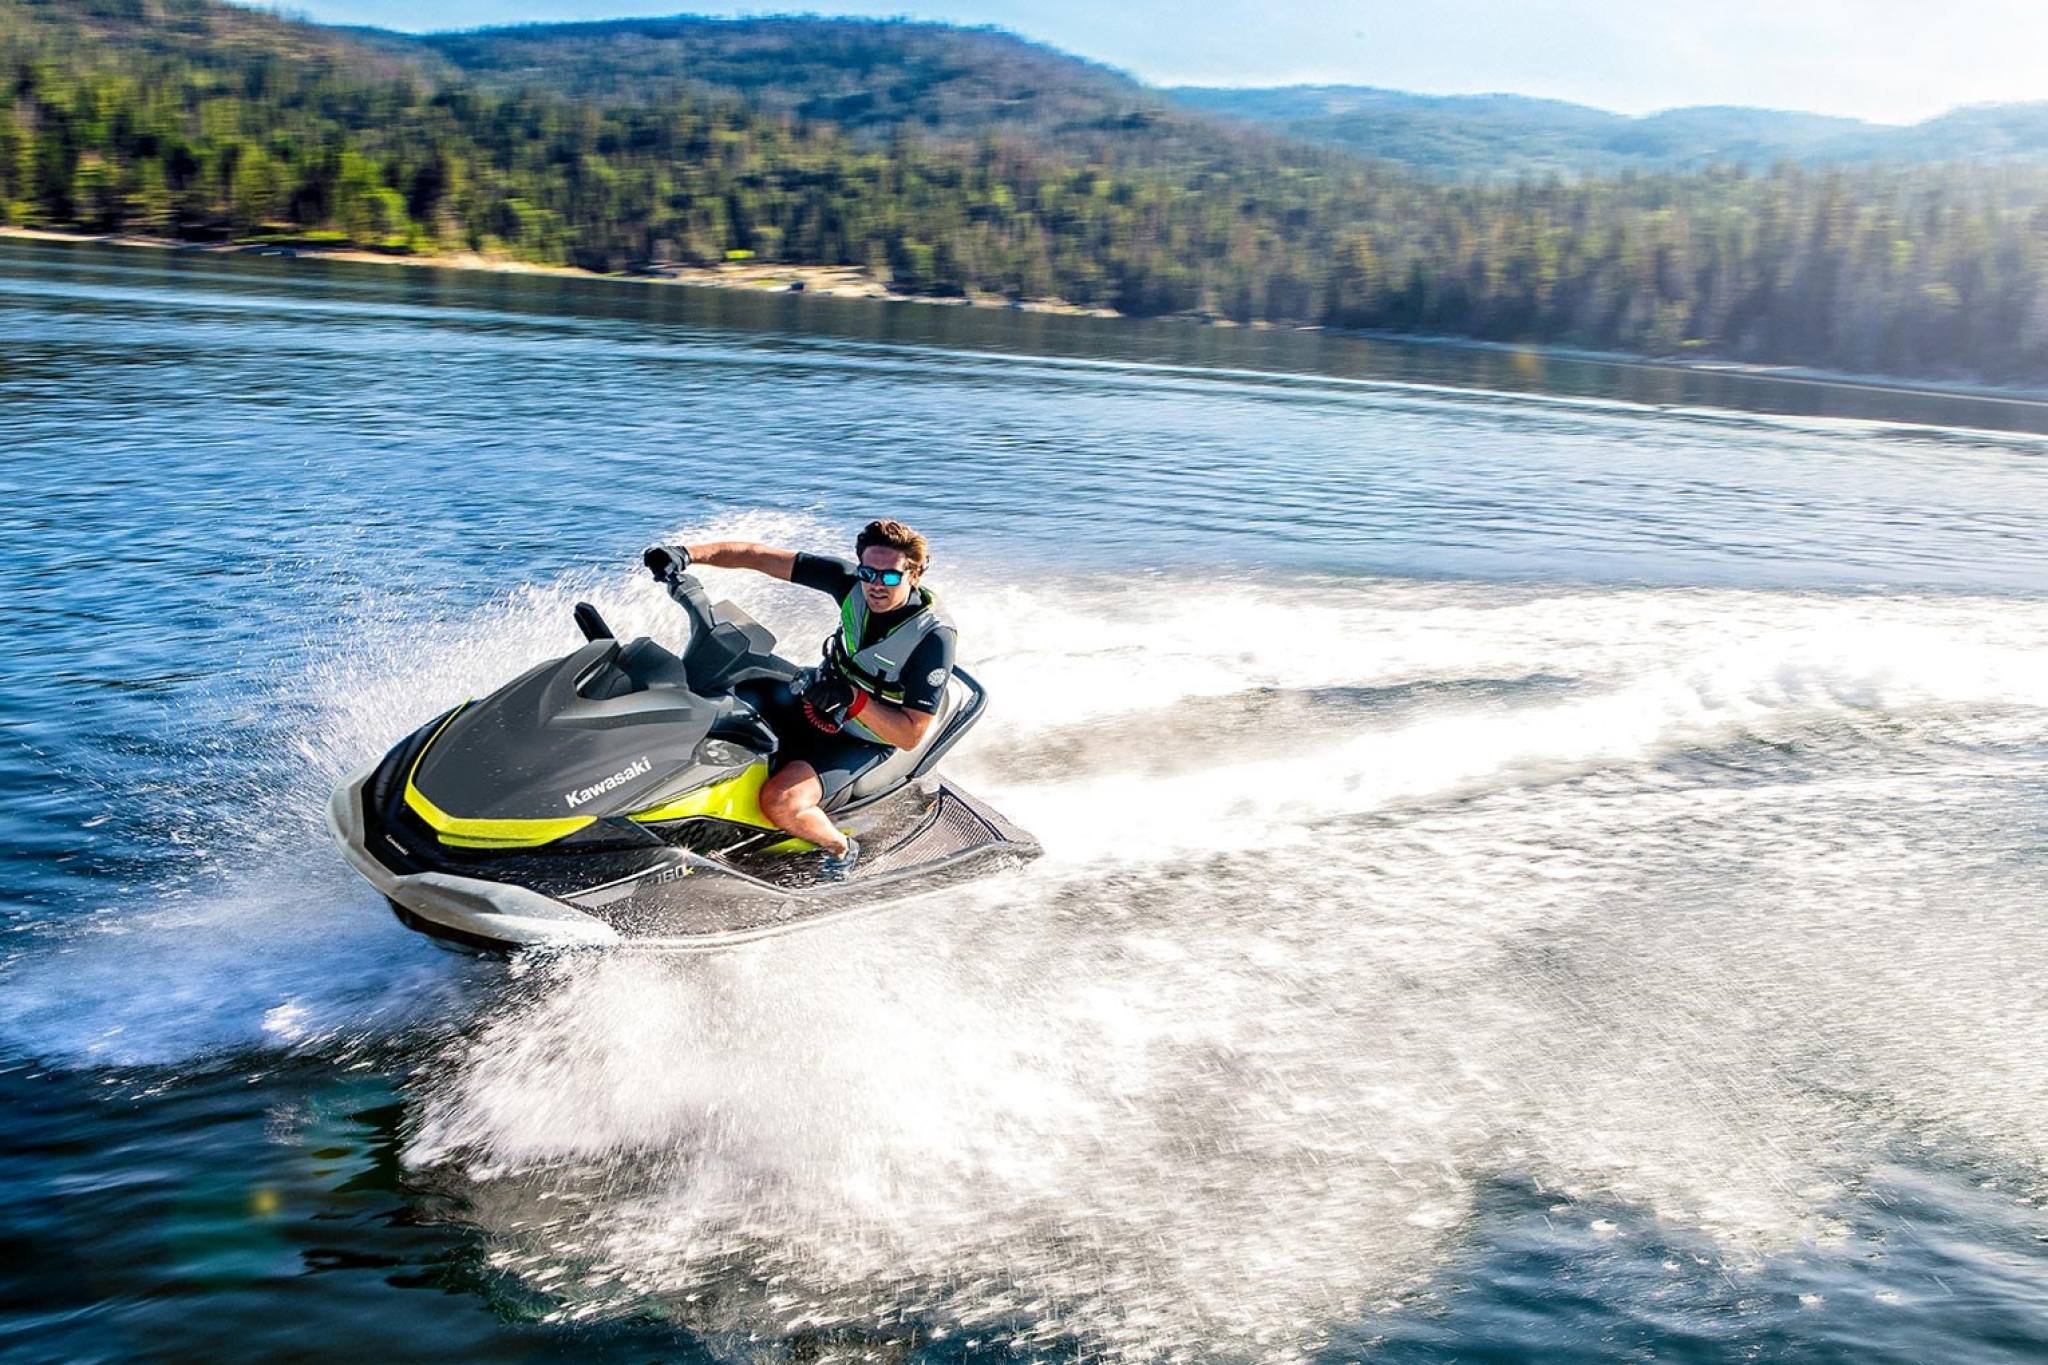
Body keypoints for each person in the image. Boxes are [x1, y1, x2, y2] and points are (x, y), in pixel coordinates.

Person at [641, 520, 956, 881]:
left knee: (780, 801)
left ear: (914, 575)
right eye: (868, 573)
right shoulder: (849, 582)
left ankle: (840, 849)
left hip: (861, 737)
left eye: (889, 576)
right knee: (709, 705)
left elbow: (909, 735)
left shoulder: (934, 639)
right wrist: (686, 555)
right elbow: (756, 556)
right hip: (815, 699)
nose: (875, 585)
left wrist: (853, 699)